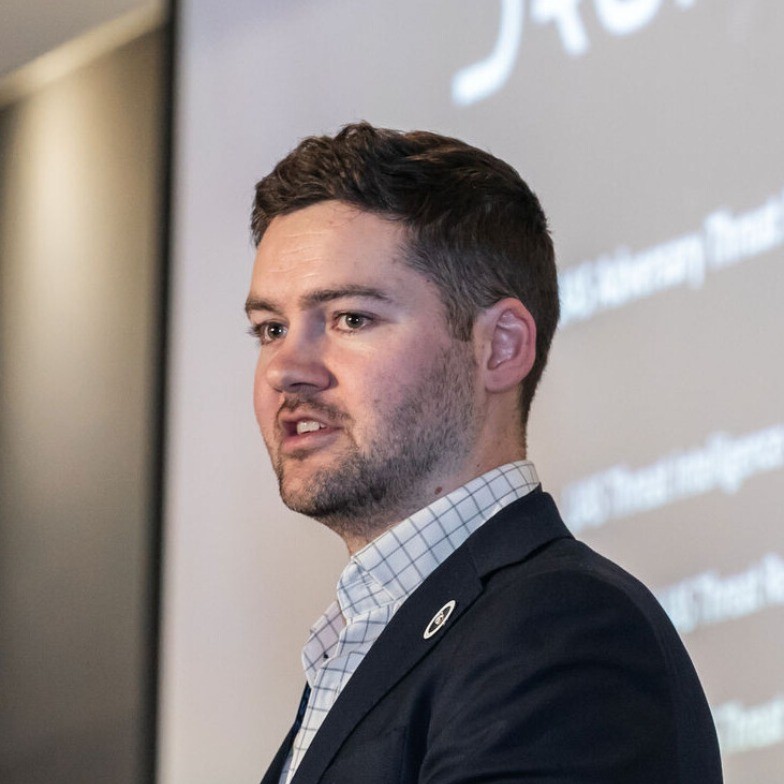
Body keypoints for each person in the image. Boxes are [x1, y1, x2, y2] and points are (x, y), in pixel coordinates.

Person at [245, 122, 723, 784]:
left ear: (500, 347)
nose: (284, 369)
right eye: (271, 328)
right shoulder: (372, 638)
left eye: (351, 318)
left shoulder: (562, 628)